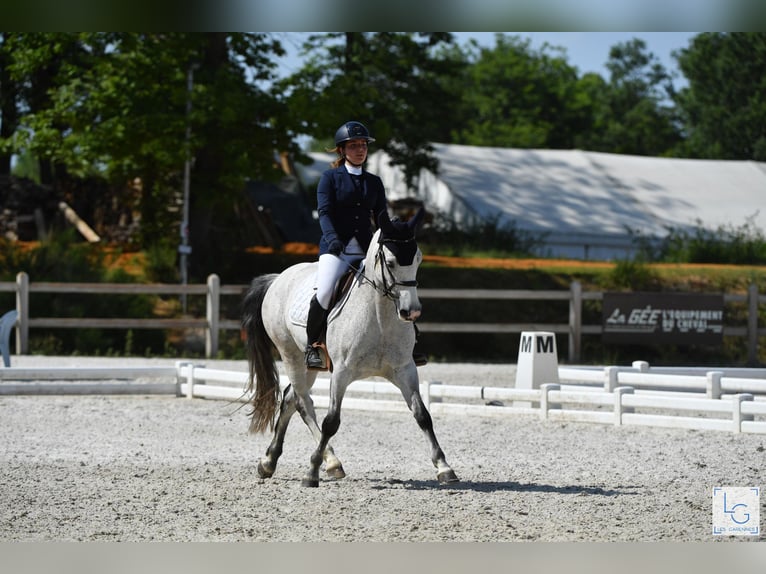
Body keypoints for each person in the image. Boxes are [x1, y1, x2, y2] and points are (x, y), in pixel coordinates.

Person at [304, 120, 426, 369]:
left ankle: (411, 345)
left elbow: (381, 217)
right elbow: (324, 213)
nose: (360, 150)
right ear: (342, 150)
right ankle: (312, 346)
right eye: (354, 145)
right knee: (326, 291)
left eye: (363, 145)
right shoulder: (330, 178)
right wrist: (332, 239)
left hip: (366, 249)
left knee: (394, 286)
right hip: (335, 249)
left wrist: (394, 233)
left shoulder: (374, 182)